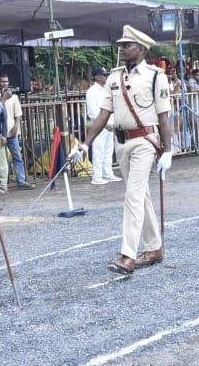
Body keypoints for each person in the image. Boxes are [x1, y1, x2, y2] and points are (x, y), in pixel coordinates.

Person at [71, 25, 172, 274]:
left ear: (141, 49)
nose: (122, 48)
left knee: (133, 196)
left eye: (127, 45)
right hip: (121, 143)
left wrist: (168, 150)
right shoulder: (114, 78)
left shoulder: (155, 76)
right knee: (140, 195)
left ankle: (128, 255)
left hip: (145, 141)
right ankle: (154, 247)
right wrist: (85, 144)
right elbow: (103, 114)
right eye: (121, 45)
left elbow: (163, 116)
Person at [0, 74, 34, 189]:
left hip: (11, 131)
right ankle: (1, 183)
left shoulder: (14, 97)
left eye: (6, 81)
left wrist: (16, 128)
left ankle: (21, 180)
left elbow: (18, 114)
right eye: (2, 81)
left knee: (17, 156)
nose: (5, 84)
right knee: (0, 159)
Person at [85, 67, 120, 185]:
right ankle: (97, 176)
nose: (106, 77)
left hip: (110, 124)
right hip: (99, 126)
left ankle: (107, 173)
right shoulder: (91, 91)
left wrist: (112, 122)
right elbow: (93, 111)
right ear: (97, 77)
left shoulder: (107, 89)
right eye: (104, 75)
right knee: (98, 150)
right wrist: (104, 124)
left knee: (108, 150)